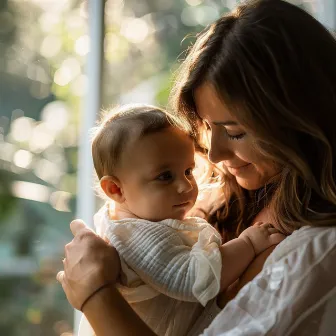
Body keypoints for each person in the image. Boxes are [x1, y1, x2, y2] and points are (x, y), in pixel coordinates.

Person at [57, 0, 336, 335]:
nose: (213, 154)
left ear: (300, 119)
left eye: (234, 132)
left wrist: (95, 295)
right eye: (207, 126)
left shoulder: (319, 250)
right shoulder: (214, 203)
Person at [78, 104, 284, 336]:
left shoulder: (146, 219)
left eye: (188, 171)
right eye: (165, 176)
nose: (186, 185)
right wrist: (248, 244)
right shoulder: (134, 235)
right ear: (115, 189)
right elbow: (193, 279)